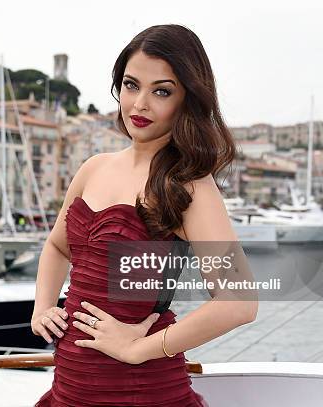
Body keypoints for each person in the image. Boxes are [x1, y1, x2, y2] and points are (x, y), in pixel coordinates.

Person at [31, 24, 258, 406]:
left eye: (162, 91)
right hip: (71, 386)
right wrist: (42, 306)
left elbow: (239, 302)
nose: (139, 104)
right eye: (131, 85)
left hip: (140, 390)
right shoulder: (93, 168)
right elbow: (56, 246)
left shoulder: (189, 186)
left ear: (188, 99)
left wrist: (139, 349)